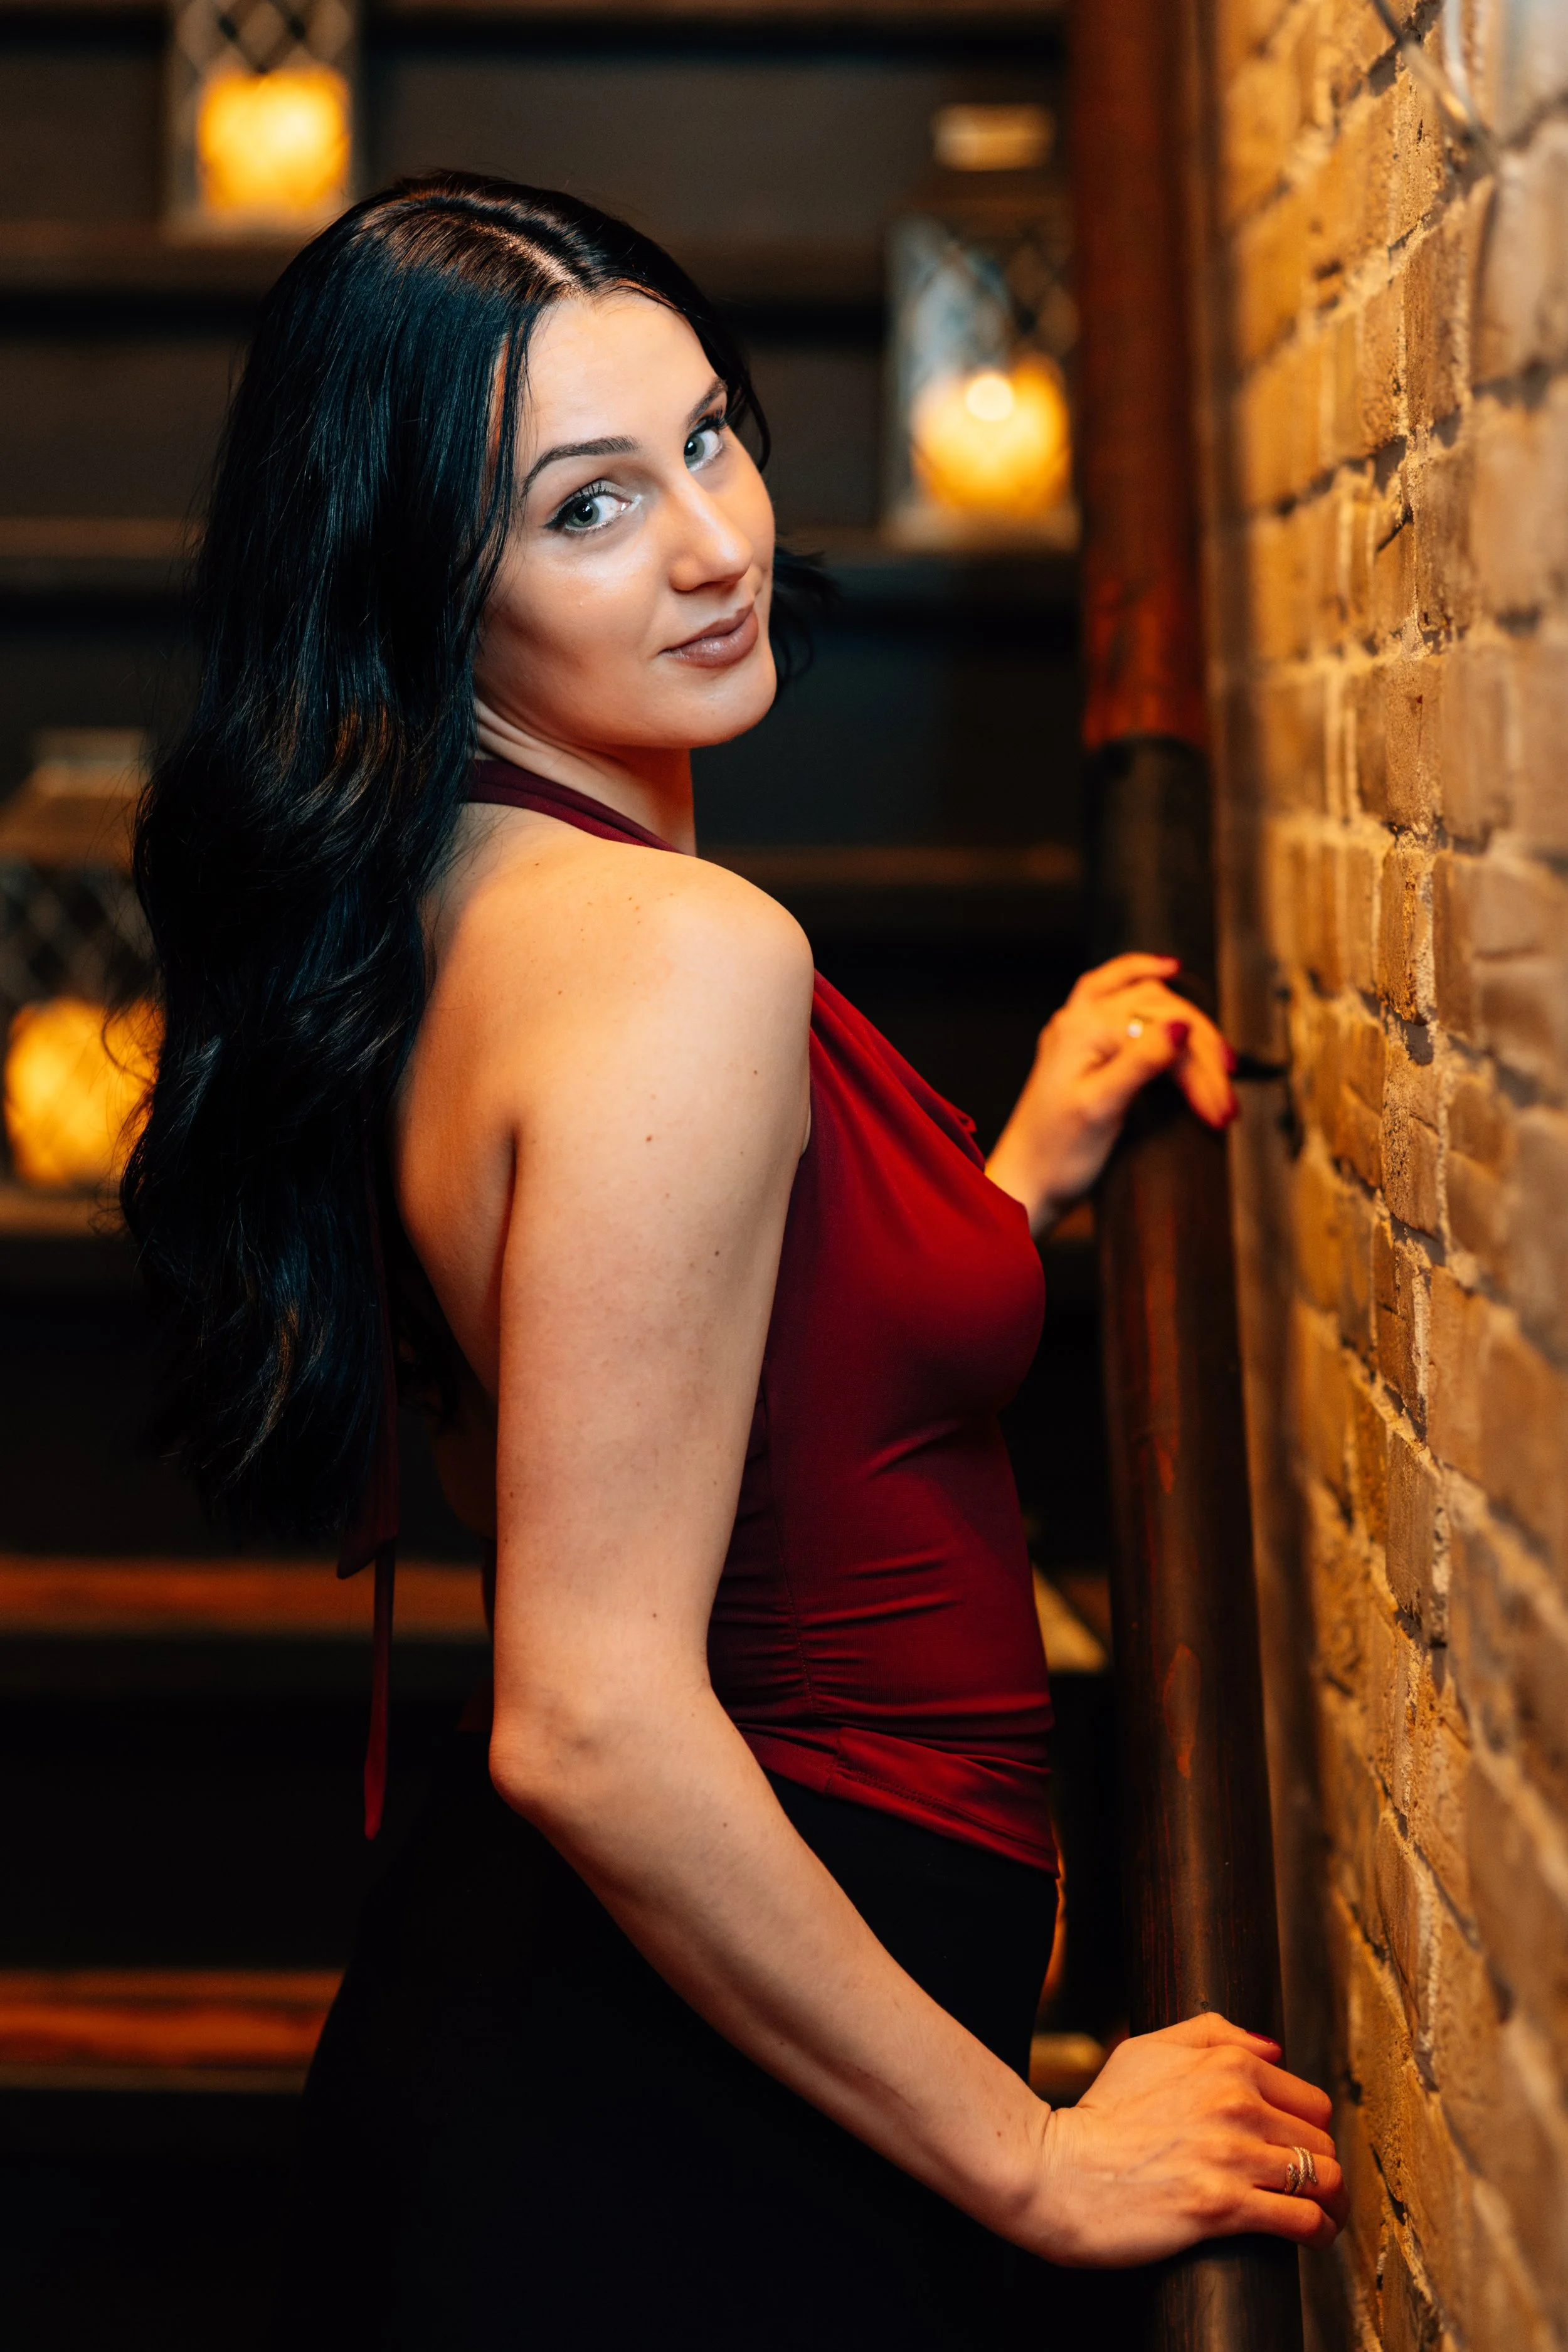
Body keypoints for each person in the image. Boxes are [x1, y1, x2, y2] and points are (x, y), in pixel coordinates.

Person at [124, 174, 1343, 2347]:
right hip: (664, 2110)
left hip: (589, 2039)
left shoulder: (442, 893)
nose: (712, 543)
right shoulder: (676, 952)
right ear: (422, 578)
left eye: (707, 436)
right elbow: (586, 1718)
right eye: (587, 508)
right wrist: (1035, 2156)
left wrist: (994, 1187)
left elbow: (660, 1373)